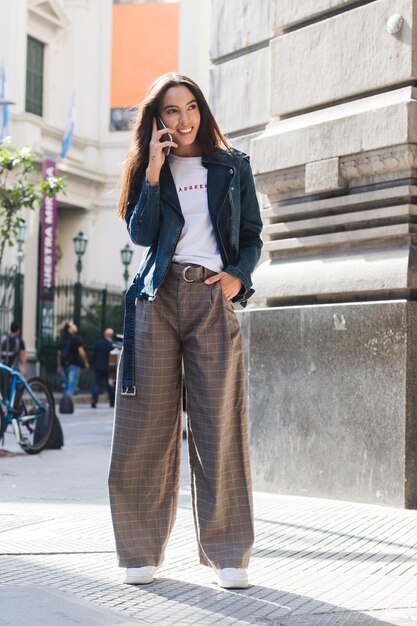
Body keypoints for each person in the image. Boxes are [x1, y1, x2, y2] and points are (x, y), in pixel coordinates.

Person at [108, 73, 263, 589]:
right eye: (172, 111)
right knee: (144, 427)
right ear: (157, 121)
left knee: (218, 426)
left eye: (191, 107)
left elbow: (250, 235)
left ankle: (228, 554)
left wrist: (237, 276)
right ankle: (139, 549)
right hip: (158, 298)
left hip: (211, 297)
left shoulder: (233, 166)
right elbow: (141, 233)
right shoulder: (151, 168)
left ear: (203, 110)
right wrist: (153, 170)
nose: (184, 119)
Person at [57, 321, 89, 396]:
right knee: (71, 385)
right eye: (73, 325)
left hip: (63, 363)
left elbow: (59, 354)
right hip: (74, 364)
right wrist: (86, 362)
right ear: (69, 328)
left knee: (66, 384)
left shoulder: (62, 339)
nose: (75, 326)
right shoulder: (76, 338)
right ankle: (67, 403)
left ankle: (65, 400)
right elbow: (81, 352)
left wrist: (59, 366)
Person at [91, 328, 114, 408]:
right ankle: (112, 402)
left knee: (97, 384)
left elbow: (94, 355)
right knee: (110, 385)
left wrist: (93, 365)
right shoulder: (111, 345)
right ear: (111, 335)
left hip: (98, 367)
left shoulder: (98, 343)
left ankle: (94, 400)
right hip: (108, 367)